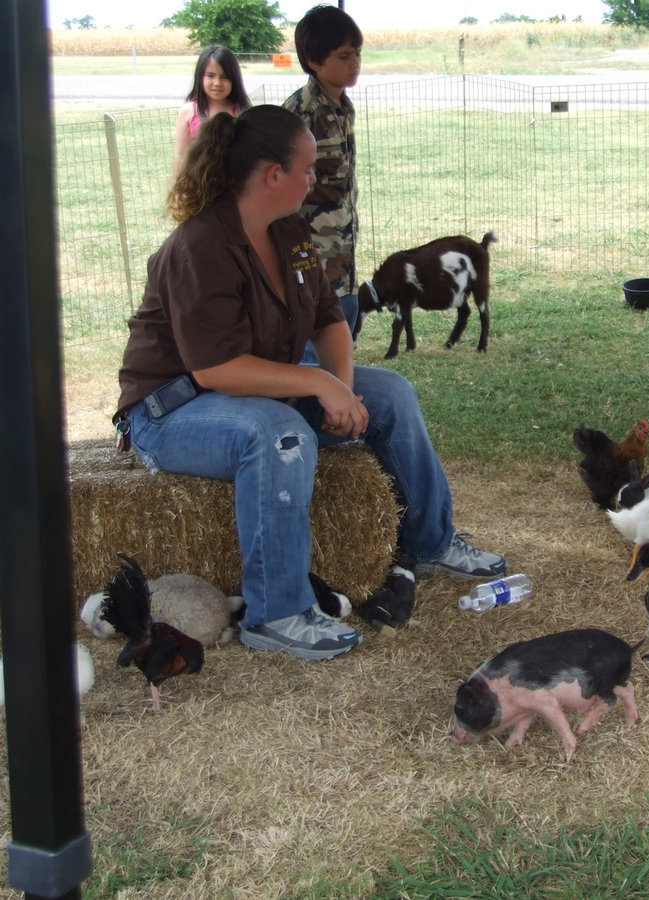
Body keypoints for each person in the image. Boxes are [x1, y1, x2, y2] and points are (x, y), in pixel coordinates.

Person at [114, 105, 507, 662]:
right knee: (279, 434)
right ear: (273, 175)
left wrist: (340, 389)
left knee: (392, 393)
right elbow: (215, 369)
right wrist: (318, 384)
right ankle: (276, 613)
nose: (314, 179)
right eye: (306, 169)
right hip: (173, 412)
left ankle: (431, 542)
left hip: (254, 391)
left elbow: (328, 320)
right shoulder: (199, 246)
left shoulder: (289, 231)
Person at [283, 4, 362, 338]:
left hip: (343, 256)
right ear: (314, 61)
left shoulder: (343, 107)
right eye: (344, 56)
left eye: (357, 54)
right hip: (309, 258)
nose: (355, 64)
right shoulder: (300, 113)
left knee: (344, 338)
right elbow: (278, 192)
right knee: (314, 350)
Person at [172, 44, 251, 175]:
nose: (217, 83)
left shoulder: (242, 112)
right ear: (200, 76)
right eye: (210, 75)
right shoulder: (188, 112)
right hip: (198, 184)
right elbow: (180, 155)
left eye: (224, 77)